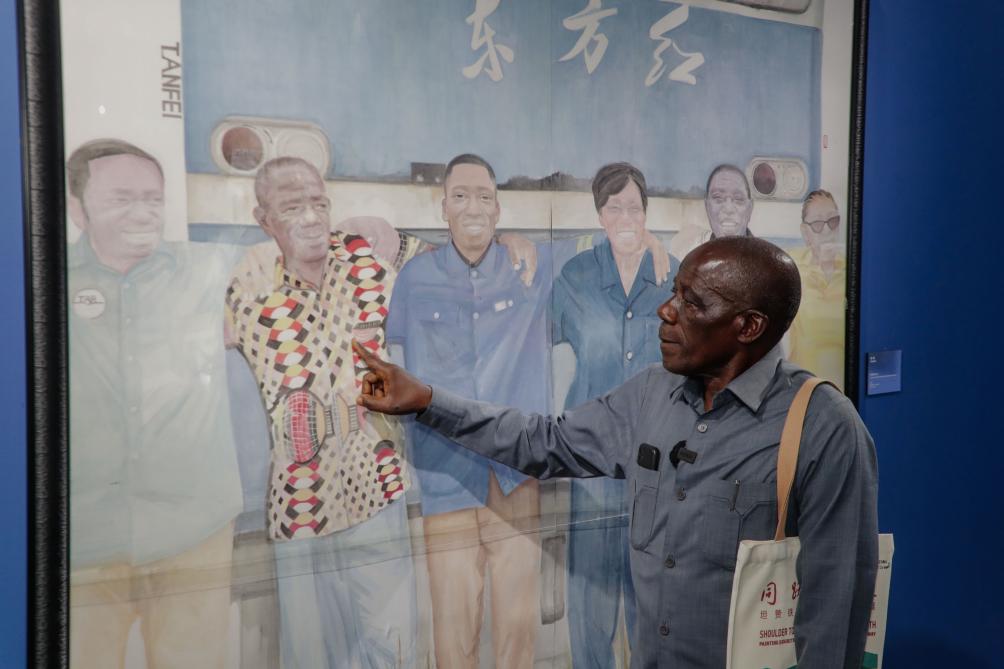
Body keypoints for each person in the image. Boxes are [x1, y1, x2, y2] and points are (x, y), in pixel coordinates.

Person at [357, 236, 879, 669]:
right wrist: (427, 401)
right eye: (674, 293)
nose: (665, 311)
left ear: (748, 327)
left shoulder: (823, 428)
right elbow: (544, 442)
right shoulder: (651, 393)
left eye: (692, 303)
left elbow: (834, 616)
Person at [225, 156, 416, 669]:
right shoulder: (246, 287)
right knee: (310, 651)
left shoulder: (364, 263)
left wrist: (513, 241)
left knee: (394, 643)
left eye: (319, 203)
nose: (311, 217)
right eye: (292, 207)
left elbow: (442, 261)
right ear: (264, 219)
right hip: (300, 498)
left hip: (377, 480)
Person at [66, 139, 243, 668]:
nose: (142, 212)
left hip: (193, 530)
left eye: (152, 199)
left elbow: (296, 260)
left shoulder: (208, 270)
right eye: (121, 199)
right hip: (82, 540)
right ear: (77, 208)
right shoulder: (41, 281)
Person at [384, 154, 552, 668]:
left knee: (518, 629)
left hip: (513, 475)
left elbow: (613, 243)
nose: (473, 207)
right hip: (446, 475)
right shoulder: (415, 278)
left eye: (484, 196)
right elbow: (387, 360)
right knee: (453, 631)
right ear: (443, 208)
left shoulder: (532, 269)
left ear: (499, 208)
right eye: (460, 196)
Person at [551, 162, 677, 667]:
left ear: (646, 212)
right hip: (594, 464)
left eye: (634, 207)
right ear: (599, 214)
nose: (625, 217)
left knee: (653, 595)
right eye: (614, 207)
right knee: (591, 597)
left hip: (659, 464)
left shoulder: (674, 276)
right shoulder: (574, 276)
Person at [787, 189, 846, 389]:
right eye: (818, 224)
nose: (827, 231)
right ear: (805, 233)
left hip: (844, 387)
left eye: (833, 221)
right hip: (801, 389)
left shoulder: (852, 270)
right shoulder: (793, 265)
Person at [670, 164, 754, 260]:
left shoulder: (766, 259)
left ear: (750, 208)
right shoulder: (688, 256)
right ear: (707, 206)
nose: (728, 209)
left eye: (738, 199)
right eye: (718, 198)